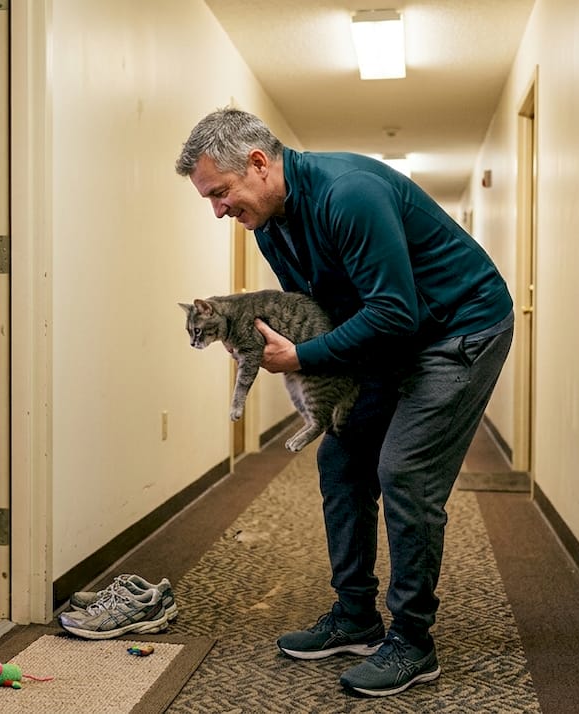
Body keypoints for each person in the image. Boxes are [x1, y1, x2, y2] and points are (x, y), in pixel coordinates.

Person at [175, 107, 514, 698]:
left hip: (459, 329)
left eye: (221, 193)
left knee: (404, 472)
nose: (219, 210)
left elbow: (392, 312)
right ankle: (355, 617)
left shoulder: (348, 194)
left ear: (258, 163)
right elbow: (323, 307)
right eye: (209, 199)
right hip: (393, 335)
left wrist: (301, 360)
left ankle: (414, 643)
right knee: (340, 459)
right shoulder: (270, 224)